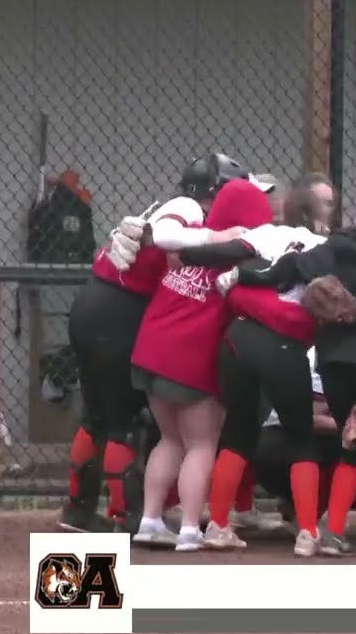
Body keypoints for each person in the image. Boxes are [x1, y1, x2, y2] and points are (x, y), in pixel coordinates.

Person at [224, 185, 356, 559]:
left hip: (335, 357)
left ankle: (335, 532)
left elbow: (292, 267)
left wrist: (242, 276)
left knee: (349, 443)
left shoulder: (339, 243)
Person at [57, 153, 266, 534]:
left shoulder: (188, 213)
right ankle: (128, 516)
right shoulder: (187, 207)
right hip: (117, 311)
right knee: (120, 419)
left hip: (99, 305)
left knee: (98, 414)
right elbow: (166, 236)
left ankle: (80, 509)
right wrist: (215, 237)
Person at [150, 184, 330, 556]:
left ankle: (218, 525)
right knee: (301, 438)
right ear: (315, 216)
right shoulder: (320, 245)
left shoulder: (264, 234)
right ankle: (308, 532)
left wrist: (185, 256)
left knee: (237, 433)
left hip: (239, 339)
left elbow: (225, 251)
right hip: (282, 344)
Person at [127, 179, 275, 551]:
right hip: (190, 359)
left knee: (170, 439)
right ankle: (190, 529)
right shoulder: (242, 259)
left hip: (151, 350)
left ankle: (150, 520)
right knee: (201, 444)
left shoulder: (190, 240)